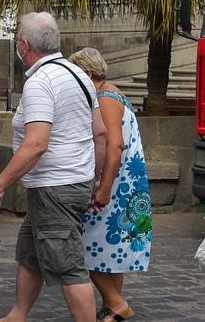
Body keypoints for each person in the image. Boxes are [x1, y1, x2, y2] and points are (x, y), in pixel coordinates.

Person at [0, 12, 107, 322]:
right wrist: (95, 179)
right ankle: (16, 316)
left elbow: (36, 143)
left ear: (23, 45)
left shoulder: (41, 82)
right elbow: (100, 133)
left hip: (55, 187)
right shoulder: (78, 75)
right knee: (30, 253)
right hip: (71, 182)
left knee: (68, 265)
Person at [65, 47, 152, 322]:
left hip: (114, 184)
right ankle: (113, 306)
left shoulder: (104, 98)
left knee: (81, 246)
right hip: (126, 182)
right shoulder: (115, 92)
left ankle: (116, 303)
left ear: (88, 74)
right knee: (111, 249)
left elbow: (114, 144)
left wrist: (102, 189)